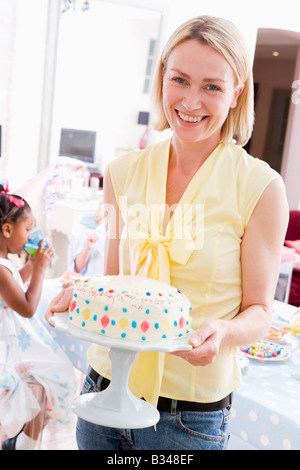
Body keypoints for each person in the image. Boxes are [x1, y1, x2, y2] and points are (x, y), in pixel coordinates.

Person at [46, 15, 289, 450]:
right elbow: (117, 281)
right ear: (162, 79)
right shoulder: (123, 174)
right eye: (180, 79)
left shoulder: (260, 188)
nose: (191, 101)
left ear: (237, 92)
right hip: (104, 393)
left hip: (188, 417)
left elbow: (260, 311)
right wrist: (80, 292)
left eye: (212, 86)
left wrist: (225, 333)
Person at [0, 186, 77, 450]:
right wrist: (41, 269)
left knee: (47, 387)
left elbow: (13, 286)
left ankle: (23, 443)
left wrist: (31, 266)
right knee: (56, 378)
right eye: (28, 229)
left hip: (16, 339)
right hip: (9, 345)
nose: (31, 235)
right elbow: (27, 307)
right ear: (8, 230)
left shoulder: (4, 264)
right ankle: (22, 444)